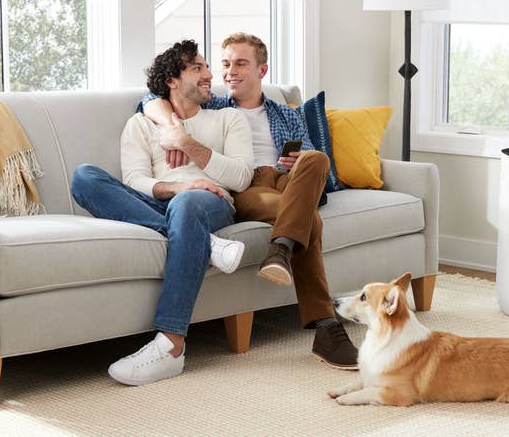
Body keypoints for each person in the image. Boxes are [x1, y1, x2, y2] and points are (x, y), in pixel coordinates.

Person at [139, 33, 358, 370]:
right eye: (225, 64)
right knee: (309, 222)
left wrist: (300, 161)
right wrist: (172, 125)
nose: (229, 72)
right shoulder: (211, 105)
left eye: (240, 63)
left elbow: (323, 171)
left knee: (316, 159)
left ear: (262, 70)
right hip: (249, 186)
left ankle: (281, 248)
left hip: (291, 182)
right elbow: (150, 97)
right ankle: (325, 325)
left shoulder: (286, 113)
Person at [71, 40, 254, 385]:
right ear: (172, 79)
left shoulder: (229, 118)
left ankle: (171, 345)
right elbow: (135, 180)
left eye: (207, 68)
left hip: (210, 204)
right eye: (197, 68)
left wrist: (186, 144)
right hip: (163, 202)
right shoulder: (141, 125)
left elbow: (242, 179)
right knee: (84, 177)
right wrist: (178, 187)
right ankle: (207, 245)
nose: (210, 75)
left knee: (187, 205)